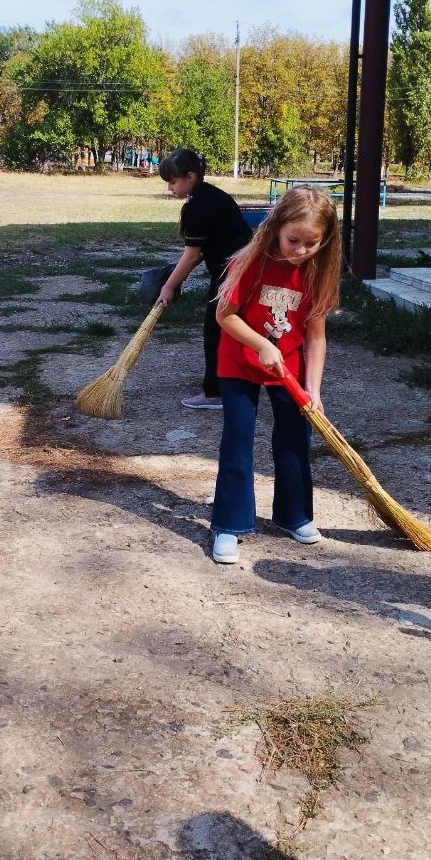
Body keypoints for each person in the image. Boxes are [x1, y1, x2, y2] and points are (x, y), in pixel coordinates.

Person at [208, 186, 342, 564]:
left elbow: (316, 336)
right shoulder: (250, 263)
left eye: (310, 243)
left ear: (325, 239)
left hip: (288, 368)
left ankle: (293, 515)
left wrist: (313, 389)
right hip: (239, 364)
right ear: (276, 228)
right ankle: (229, 525)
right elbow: (225, 316)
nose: (300, 250)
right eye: (293, 240)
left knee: (294, 438)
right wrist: (261, 345)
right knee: (238, 439)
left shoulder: (317, 271)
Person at [157, 148, 253, 411]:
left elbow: (190, 257)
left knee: (215, 331)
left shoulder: (197, 206)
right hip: (247, 268)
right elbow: (203, 251)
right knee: (233, 331)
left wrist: (168, 286)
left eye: (173, 181)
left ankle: (215, 394)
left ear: (190, 177)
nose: (170, 188)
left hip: (231, 273)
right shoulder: (213, 195)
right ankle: (238, 384)